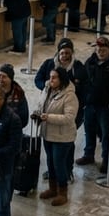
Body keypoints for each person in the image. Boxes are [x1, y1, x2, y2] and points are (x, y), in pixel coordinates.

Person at [78, 36, 109, 172]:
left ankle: (106, 160)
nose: (100, 51)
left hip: (106, 107)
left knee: (107, 135)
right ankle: (88, 155)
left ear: (108, 50)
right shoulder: (90, 62)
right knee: (89, 131)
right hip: (90, 104)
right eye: (98, 48)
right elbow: (82, 79)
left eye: (103, 49)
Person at [34, 67, 78, 207]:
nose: (50, 80)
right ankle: (53, 189)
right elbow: (42, 105)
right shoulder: (47, 90)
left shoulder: (69, 95)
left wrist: (48, 117)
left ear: (62, 79)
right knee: (50, 162)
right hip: (48, 134)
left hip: (62, 137)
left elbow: (69, 117)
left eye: (54, 78)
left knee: (59, 163)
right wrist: (37, 113)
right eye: (50, 77)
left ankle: (62, 192)